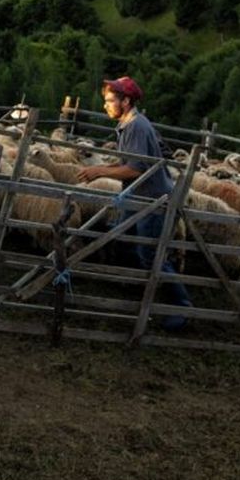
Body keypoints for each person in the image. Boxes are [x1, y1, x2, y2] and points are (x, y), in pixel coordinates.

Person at [77, 76, 193, 330]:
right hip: (138, 197)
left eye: (109, 101)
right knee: (124, 237)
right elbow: (125, 163)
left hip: (152, 200)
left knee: (151, 253)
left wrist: (100, 173)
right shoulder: (128, 125)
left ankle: (181, 307)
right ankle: (133, 286)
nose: (105, 106)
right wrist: (100, 167)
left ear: (126, 101)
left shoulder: (136, 127)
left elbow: (136, 168)